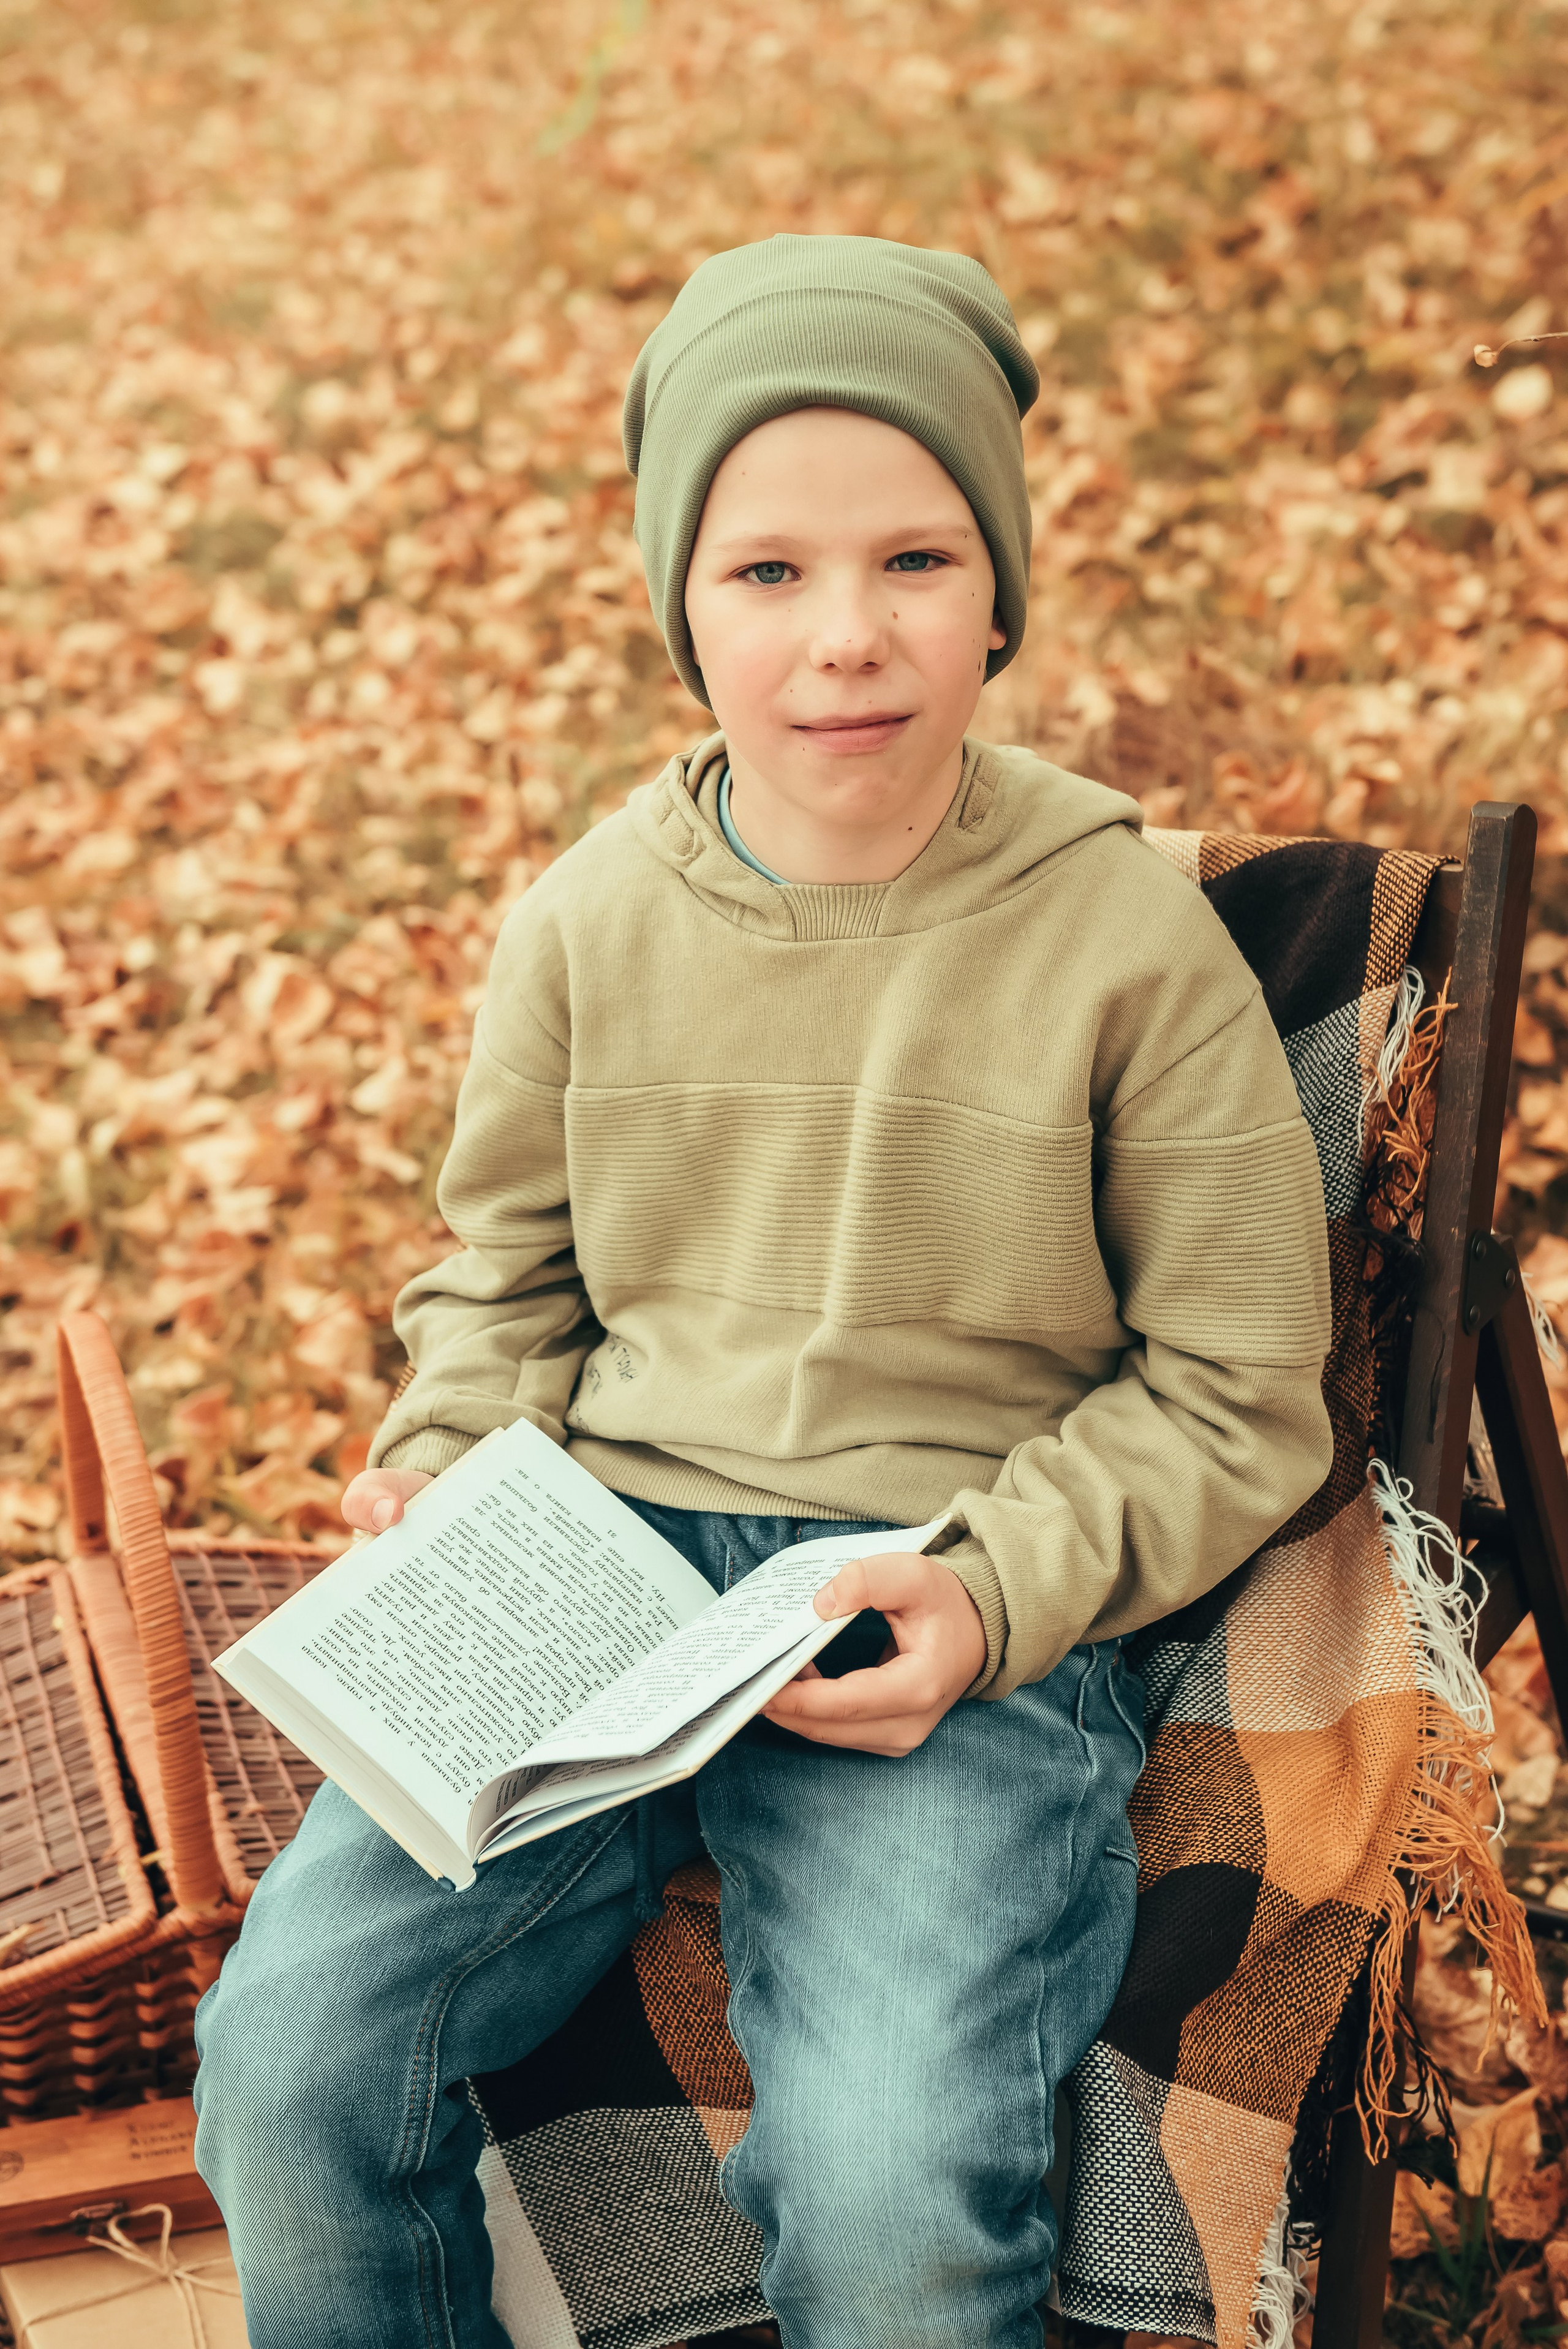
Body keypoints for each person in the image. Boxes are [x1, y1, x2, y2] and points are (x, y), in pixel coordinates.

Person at [192, 235, 1333, 2349]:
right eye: (767, 574)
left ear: (1001, 584)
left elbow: (1241, 1381)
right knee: (289, 2067)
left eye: (915, 558)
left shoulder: (1123, 945)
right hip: (594, 1566)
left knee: (899, 2191)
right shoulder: (591, 920)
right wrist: (449, 1459)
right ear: (679, 601)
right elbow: (500, 1279)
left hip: (929, 1590)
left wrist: (994, 1593)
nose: (846, 641)